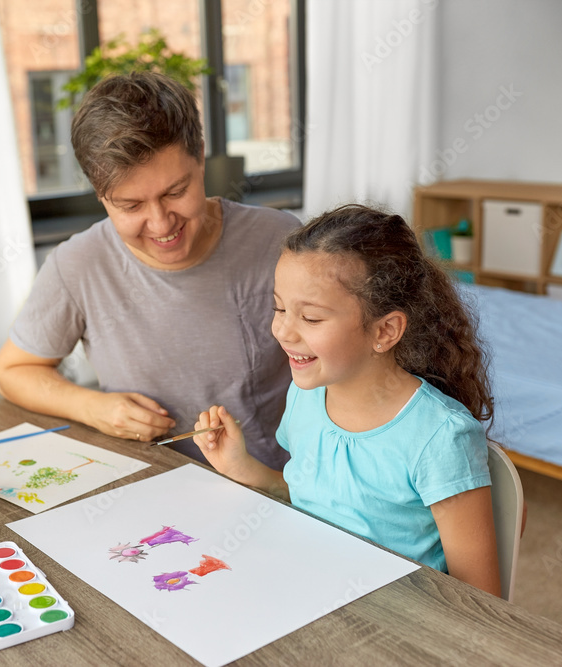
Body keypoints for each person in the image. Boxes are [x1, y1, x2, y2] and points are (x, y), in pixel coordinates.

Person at [0, 71, 299, 469]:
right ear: (100, 194)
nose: (160, 224)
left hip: (276, 486)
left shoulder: (281, 241)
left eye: (176, 192)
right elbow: (12, 371)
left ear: (201, 156)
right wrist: (91, 407)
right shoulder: (79, 264)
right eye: (131, 206)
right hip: (147, 488)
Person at [193, 204, 501, 596]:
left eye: (312, 318)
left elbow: (479, 595)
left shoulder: (440, 437)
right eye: (279, 308)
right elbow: (318, 502)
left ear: (385, 330)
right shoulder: (305, 398)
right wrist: (242, 467)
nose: (283, 331)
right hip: (306, 592)